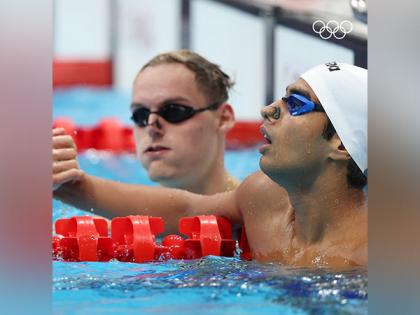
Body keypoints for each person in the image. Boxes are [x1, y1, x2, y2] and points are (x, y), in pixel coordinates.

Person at [53, 62, 367, 268]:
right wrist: (69, 182)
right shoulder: (263, 199)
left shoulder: (370, 257)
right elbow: (186, 209)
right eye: (281, 99)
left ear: (340, 143)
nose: (268, 109)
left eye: (295, 104)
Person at [53, 50, 239, 195]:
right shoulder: (120, 226)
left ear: (223, 118)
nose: (151, 127)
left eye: (174, 111)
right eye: (140, 114)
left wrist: (69, 186)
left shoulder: (258, 210)